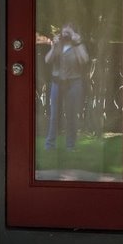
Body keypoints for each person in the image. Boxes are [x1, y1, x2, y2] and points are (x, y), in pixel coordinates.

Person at [44, 22, 89, 150]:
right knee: (54, 116)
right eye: (64, 32)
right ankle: (50, 145)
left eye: (69, 32)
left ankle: (70, 145)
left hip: (74, 83)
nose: (66, 35)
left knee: (71, 116)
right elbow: (47, 60)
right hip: (57, 83)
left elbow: (84, 60)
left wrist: (78, 42)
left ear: (74, 34)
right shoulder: (58, 46)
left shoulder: (78, 46)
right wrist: (53, 46)